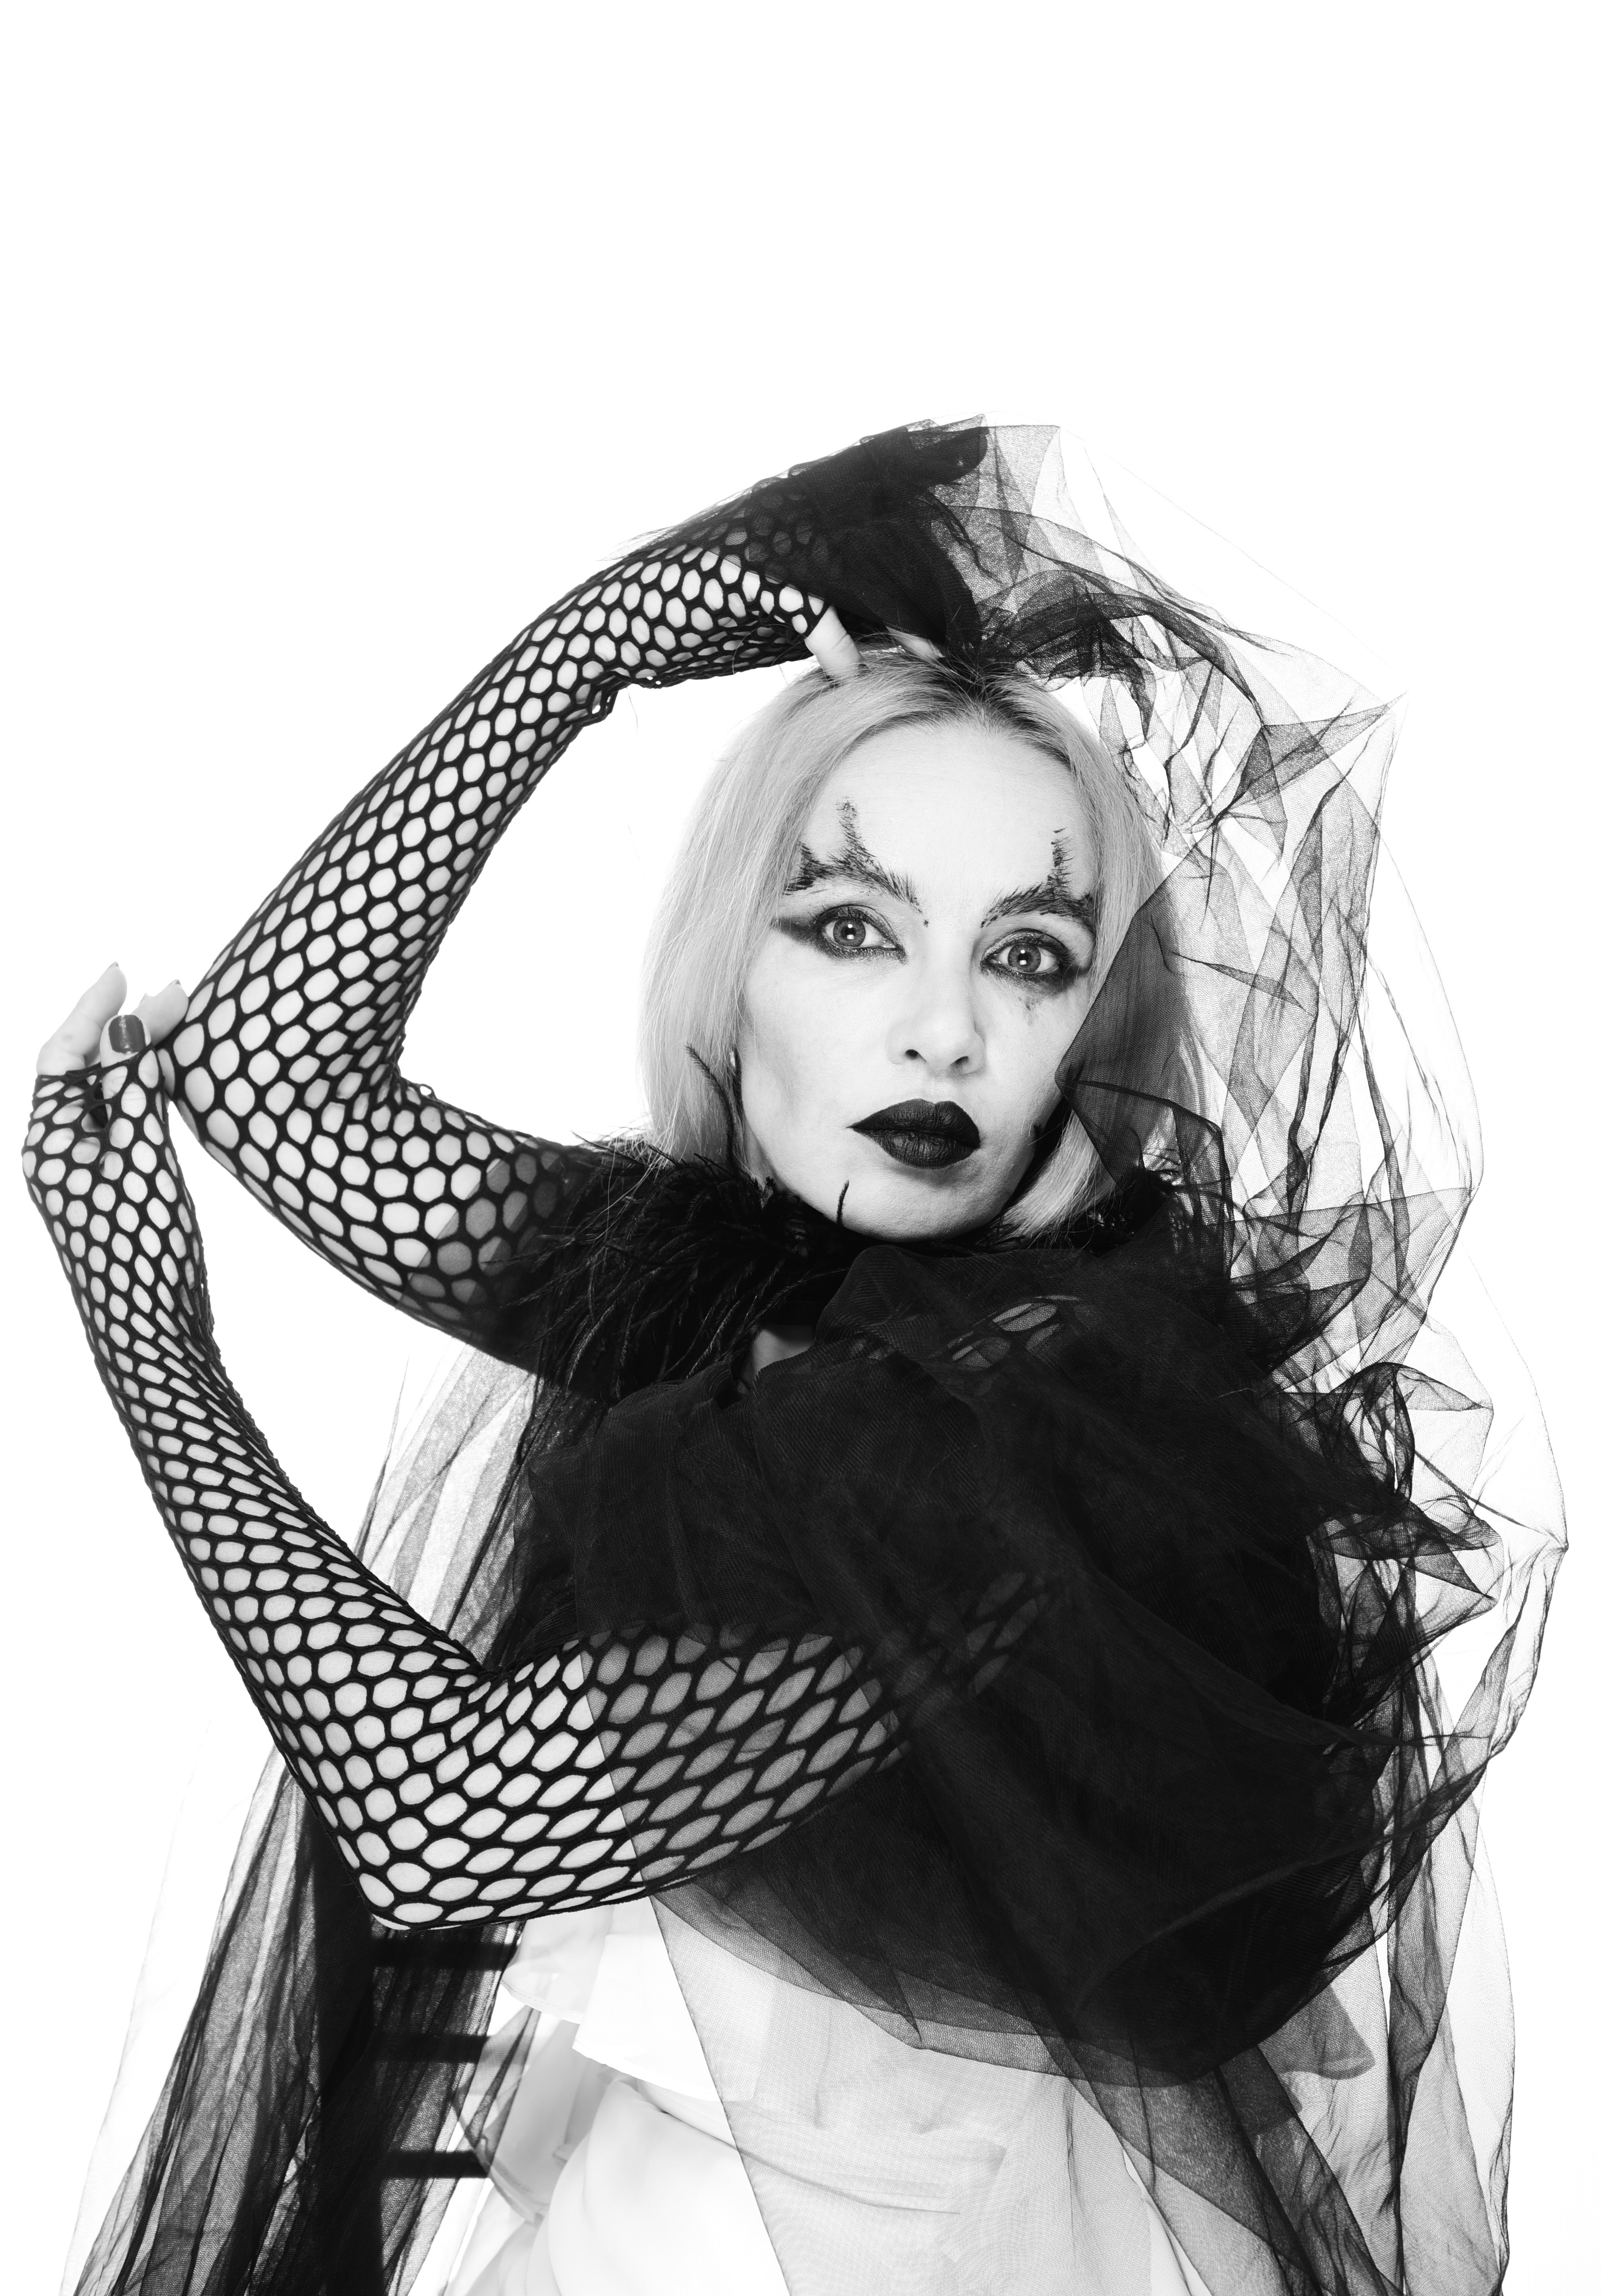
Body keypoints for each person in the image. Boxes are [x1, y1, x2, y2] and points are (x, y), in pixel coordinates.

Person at [27, 420, 1562, 2295]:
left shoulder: (1057, 1431)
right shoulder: (748, 1294)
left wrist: (145, 1320)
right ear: (728, 969)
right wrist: (604, 643)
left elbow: (448, 1822)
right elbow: (272, 1078)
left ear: (1100, 1021)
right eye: (850, 929)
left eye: (1027, 954)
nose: (940, 1029)